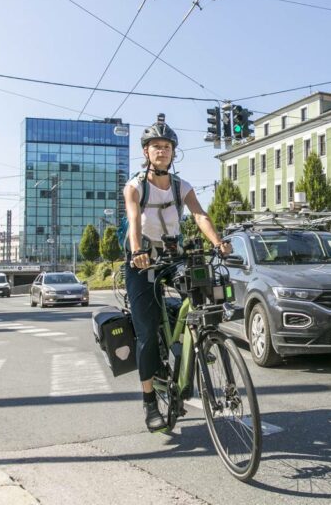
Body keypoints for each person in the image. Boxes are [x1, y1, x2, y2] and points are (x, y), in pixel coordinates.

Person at [124, 114, 232, 433]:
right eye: (156, 147)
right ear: (146, 152)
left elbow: (199, 214)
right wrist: (136, 251)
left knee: (205, 291)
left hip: (173, 256)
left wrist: (218, 242)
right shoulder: (135, 186)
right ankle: (148, 403)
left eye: (167, 146)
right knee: (145, 333)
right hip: (143, 259)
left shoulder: (180, 186)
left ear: (173, 152)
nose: (162, 151)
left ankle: (200, 344)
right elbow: (133, 222)